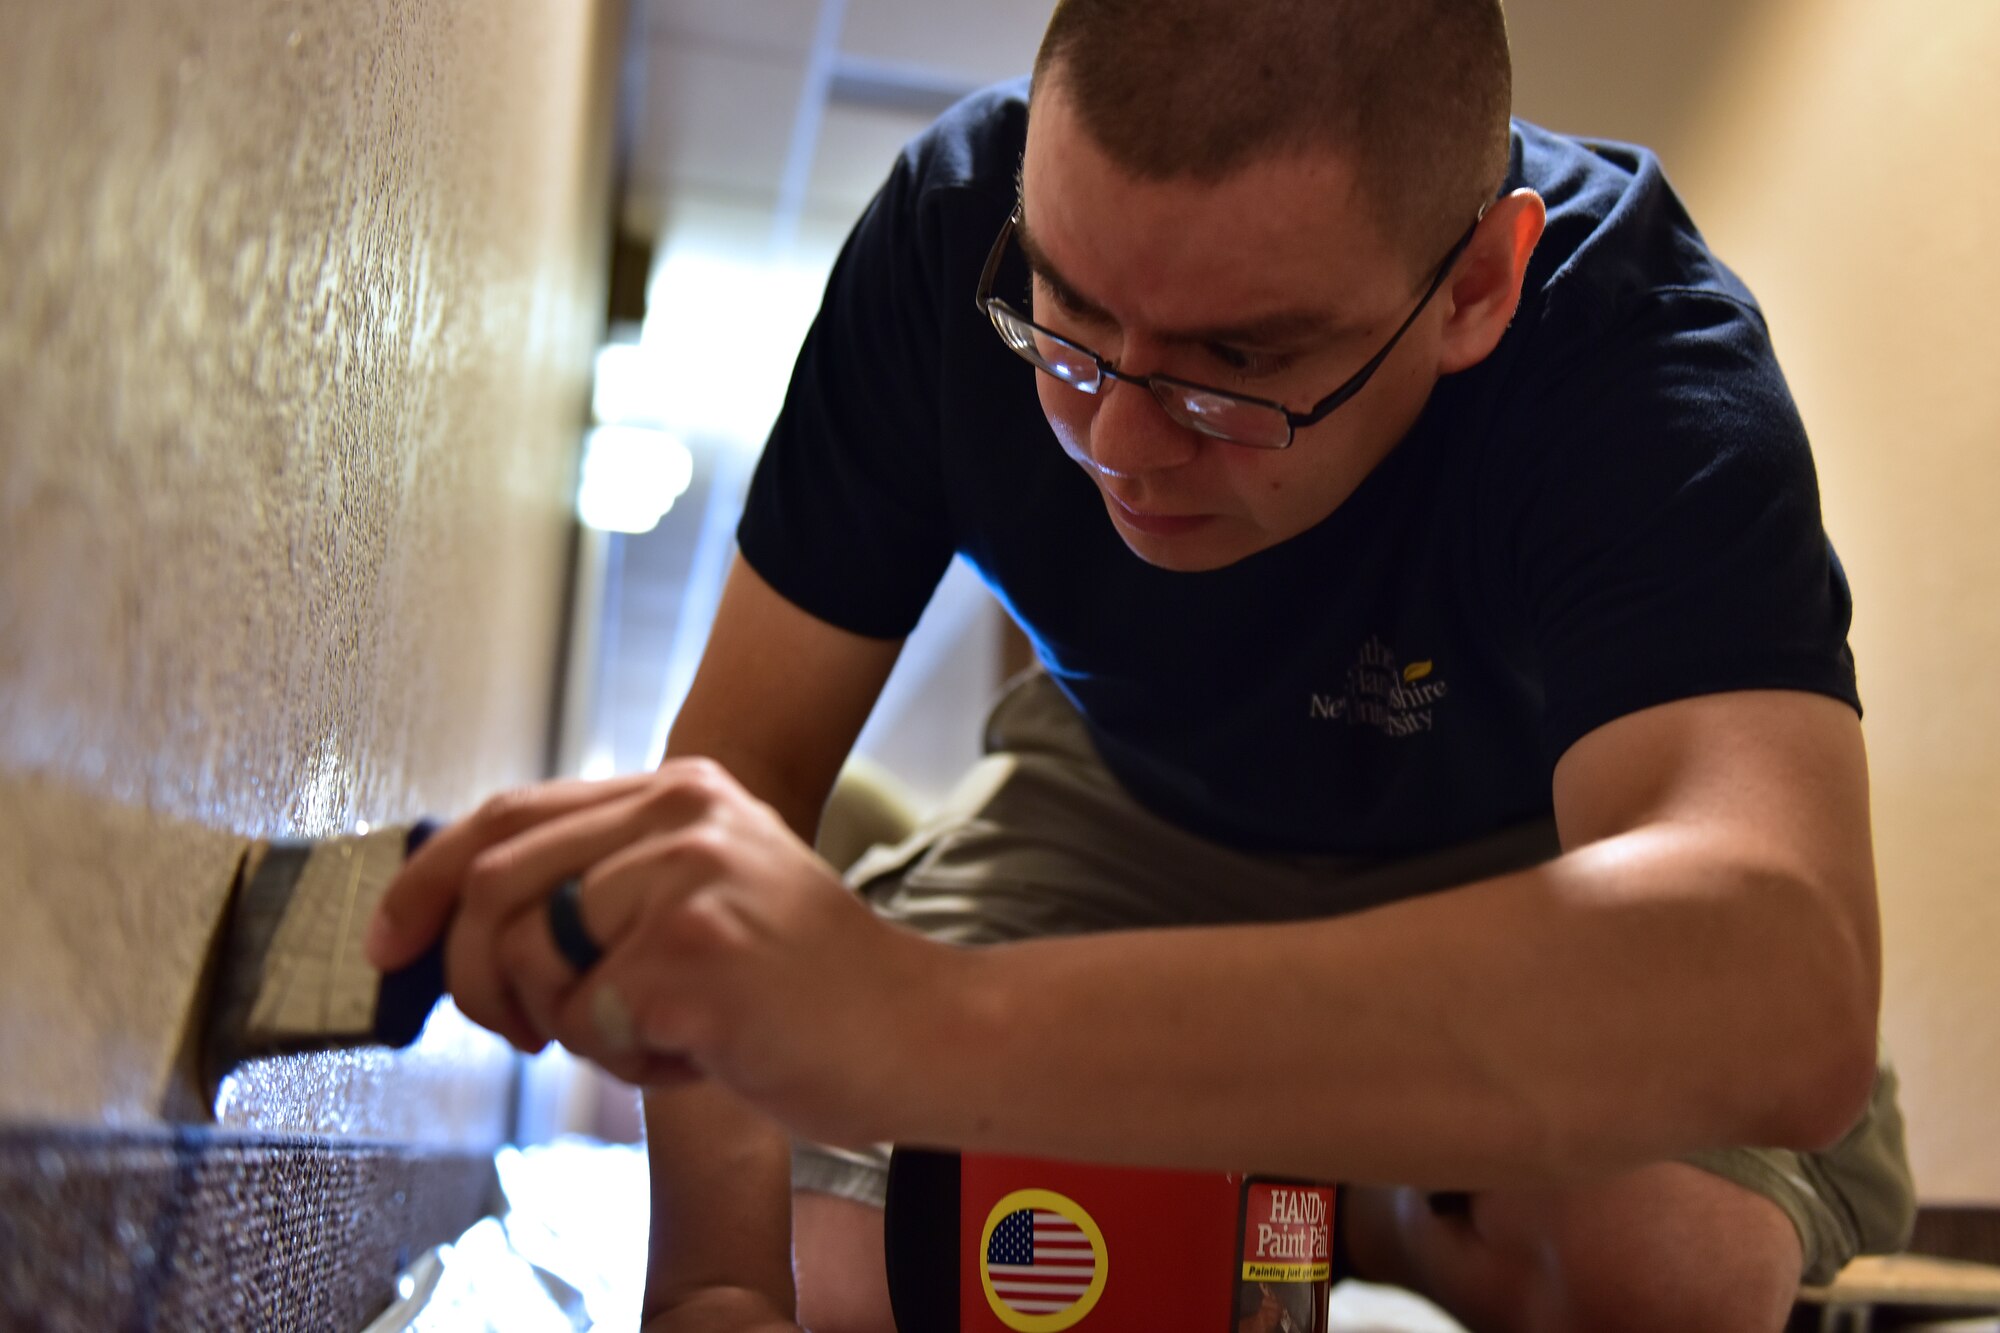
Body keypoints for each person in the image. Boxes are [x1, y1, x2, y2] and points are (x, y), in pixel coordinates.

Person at [366, 1, 1919, 1329]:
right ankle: (1331, 1153)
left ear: (1474, 290)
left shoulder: (1641, 361)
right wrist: (717, 1293)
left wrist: (920, 1024)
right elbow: (738, 781)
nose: (1115, 441)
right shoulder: (940, 228)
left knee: (1670, 1270)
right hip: (1118, 804)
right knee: (854, 1259)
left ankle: (1359, 1198)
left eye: (1238, 368)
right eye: (1069, 315)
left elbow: (1781, 982)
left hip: (1530, 874)